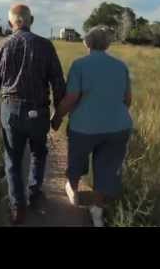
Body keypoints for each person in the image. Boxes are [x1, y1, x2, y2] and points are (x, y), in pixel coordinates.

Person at [0, 4, 66, 225]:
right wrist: (58, 114)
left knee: (12, 158)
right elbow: (58, 82)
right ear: (31, 20)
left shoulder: (0, 46)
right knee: (38, 153)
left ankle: (17, 206)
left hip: (10, 110)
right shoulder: (46, 46)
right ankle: (34, 193)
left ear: (11, 22)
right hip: (38, 111)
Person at [51, 25, 133, 227]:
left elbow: (71, 98)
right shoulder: (121, 66)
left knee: (77, 160)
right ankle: (97, 211)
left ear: (87, 42)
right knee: (107, 169)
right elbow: (127, 99)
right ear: (107, 44)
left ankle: (74, 190)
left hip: (84, 128)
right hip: (118, 127)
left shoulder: (80, 65)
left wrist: (57, 116)